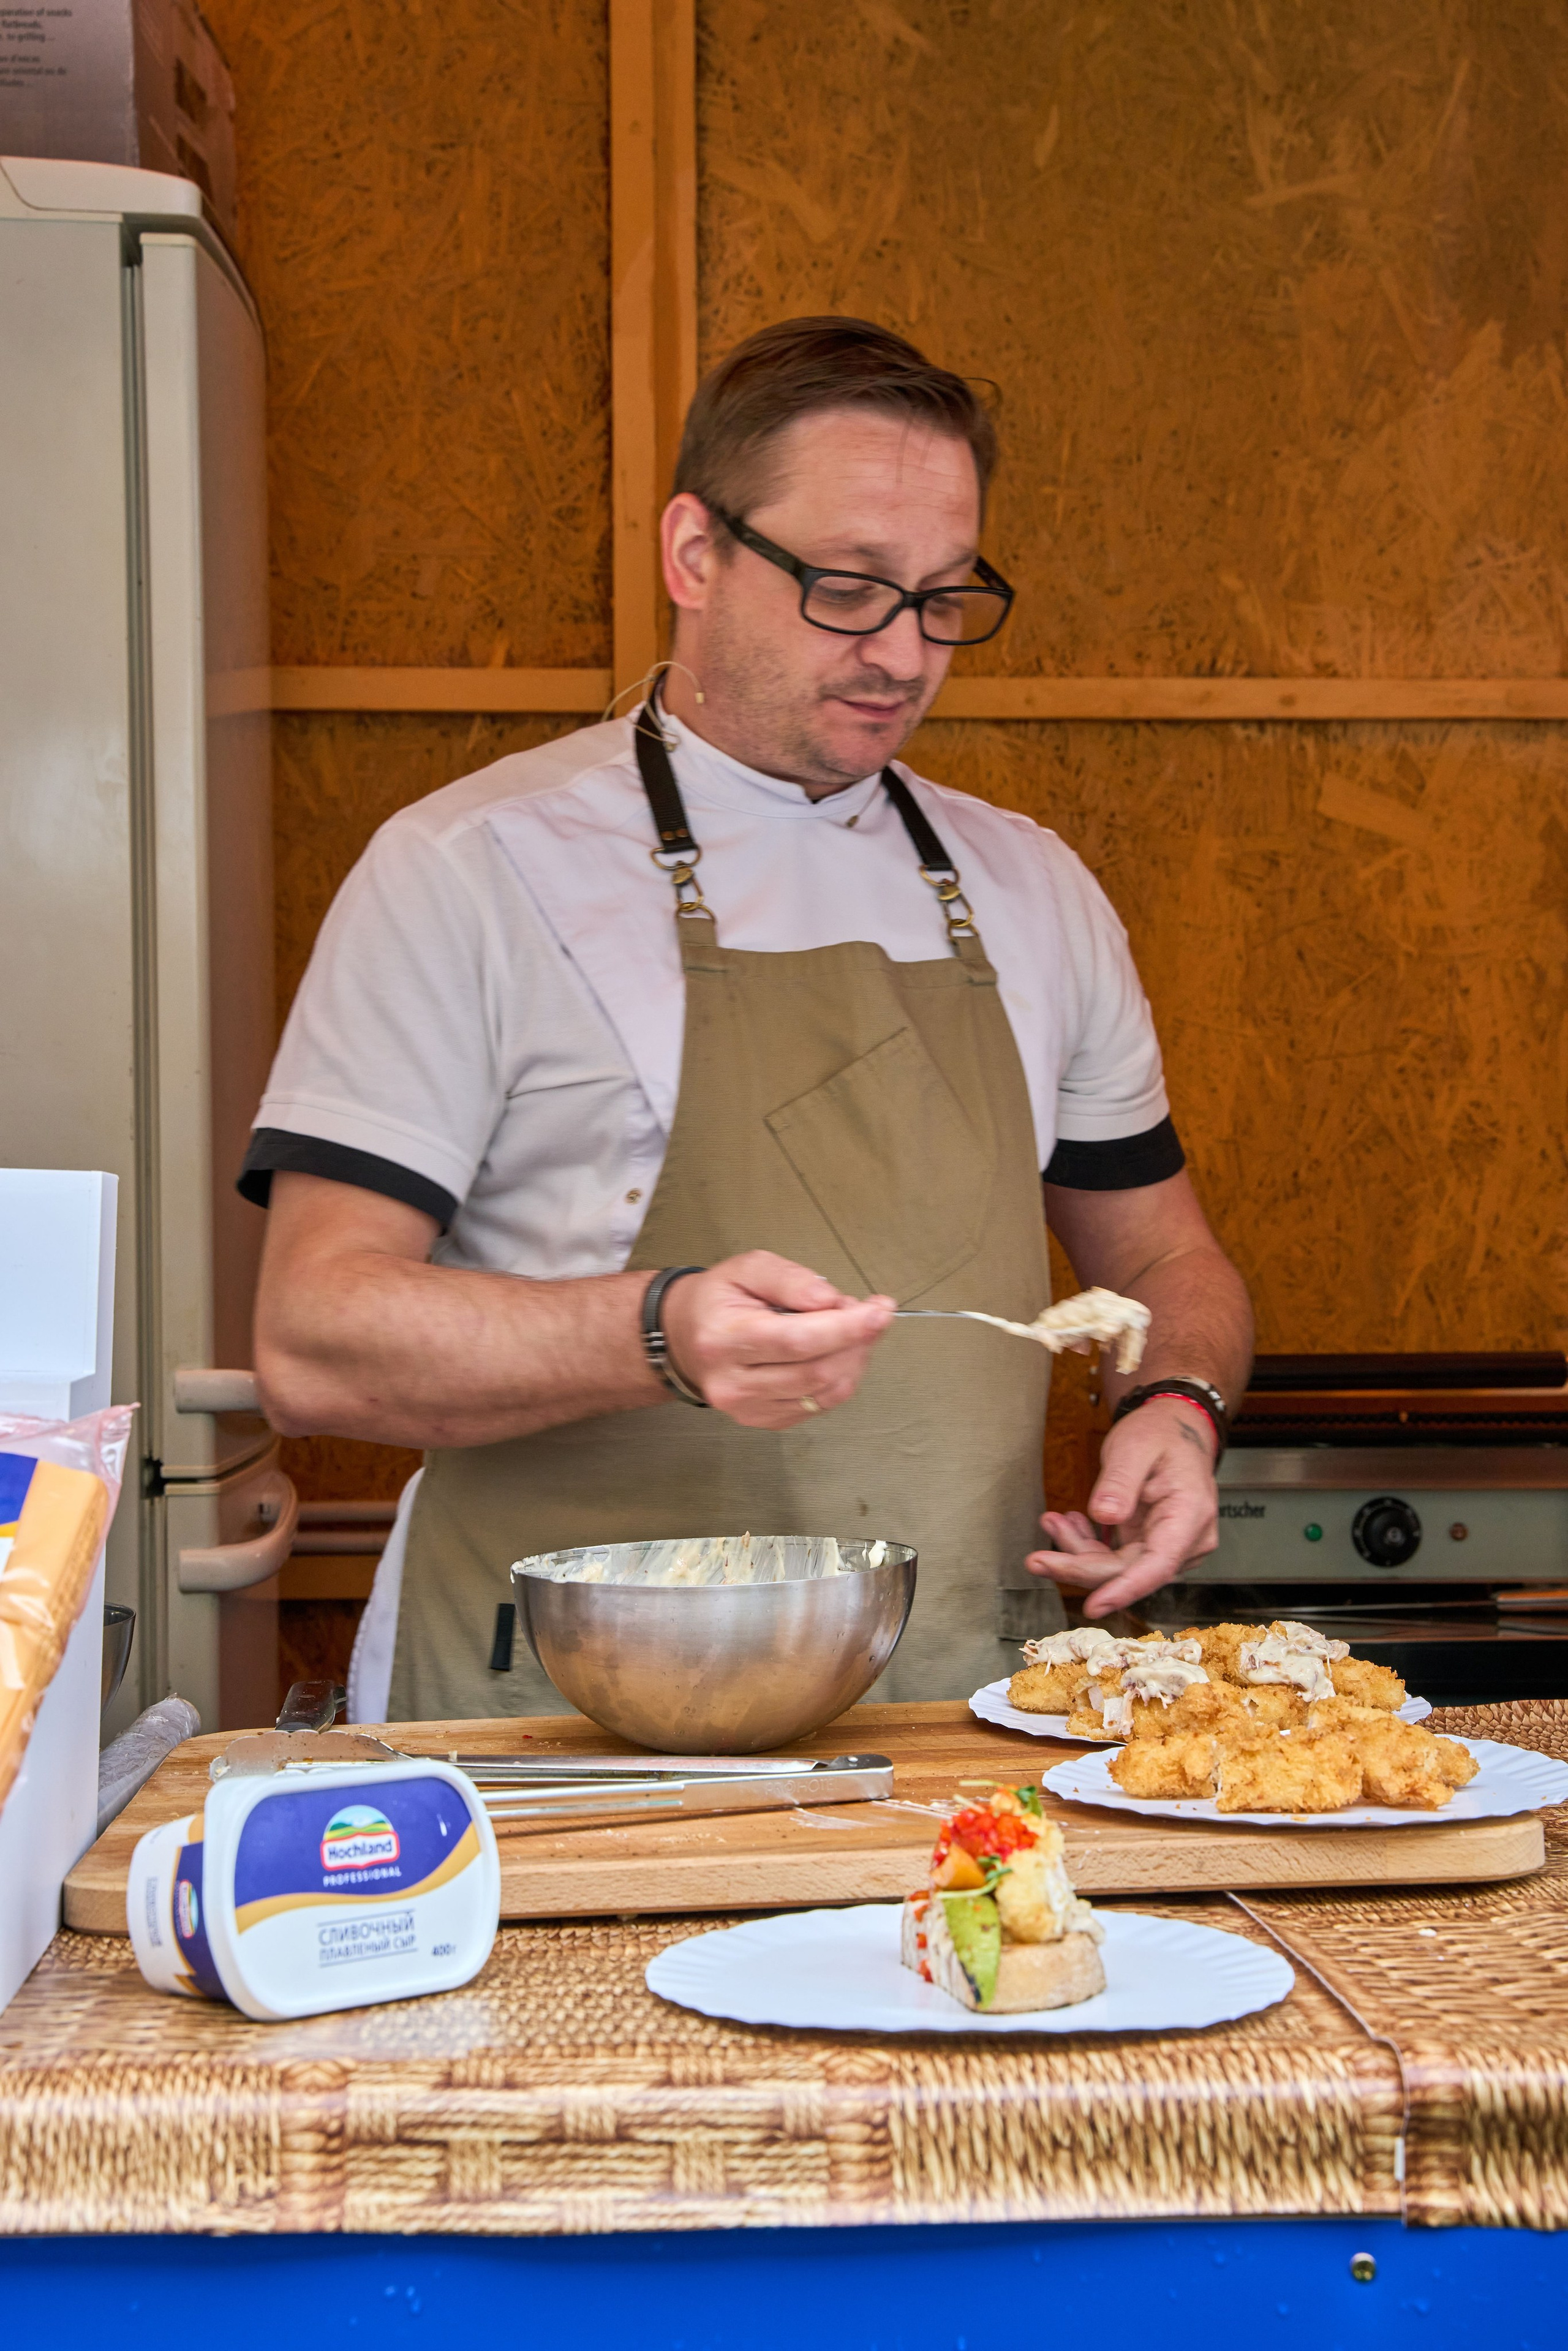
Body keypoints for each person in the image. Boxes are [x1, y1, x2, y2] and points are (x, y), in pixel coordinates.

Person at [244, 315, 1254, 1722]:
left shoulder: (1033, 890)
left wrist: (1172, 1404)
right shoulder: (474, 869)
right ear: (693, 552)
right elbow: (312, 1332)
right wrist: (656, 1330)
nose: (903, 652)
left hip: (950, 1720)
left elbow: (1161, 1254)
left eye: (944, 597)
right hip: (564, 1726)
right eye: (847, 587)